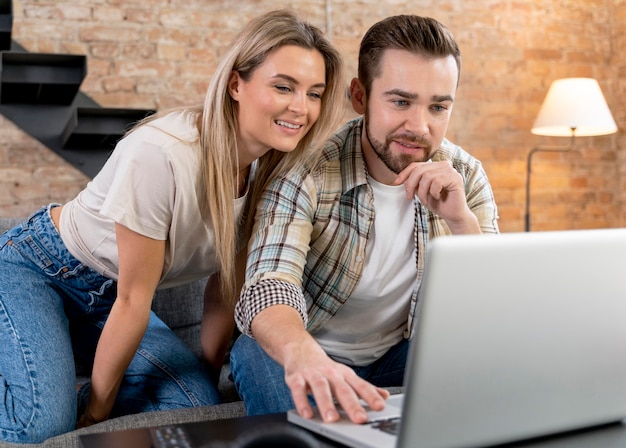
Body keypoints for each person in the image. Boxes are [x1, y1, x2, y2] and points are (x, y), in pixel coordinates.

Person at [0, 9, 345, 444]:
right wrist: (93, 412)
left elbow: (224, 288)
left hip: (111, 304)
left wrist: (203, 373)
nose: (301, 107)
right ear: (236, 84)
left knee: (194, 406)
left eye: (314, 93)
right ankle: (39, 382)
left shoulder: (270, 176)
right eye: (283, 87)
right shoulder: (161, 154)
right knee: (41, 426)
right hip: (40, 271)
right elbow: (133, 300)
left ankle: (45, 372)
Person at [230, 14, 499, 425]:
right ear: (360, 96)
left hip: (398, 357)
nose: (419, 126)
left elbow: (491, 311)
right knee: (252, 351)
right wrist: (306, 356)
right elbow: (269, 284)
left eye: (438, 107)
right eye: (400, 101)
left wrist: (461, 222)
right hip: (309, 347)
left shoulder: (465, 176)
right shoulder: (308, 170)